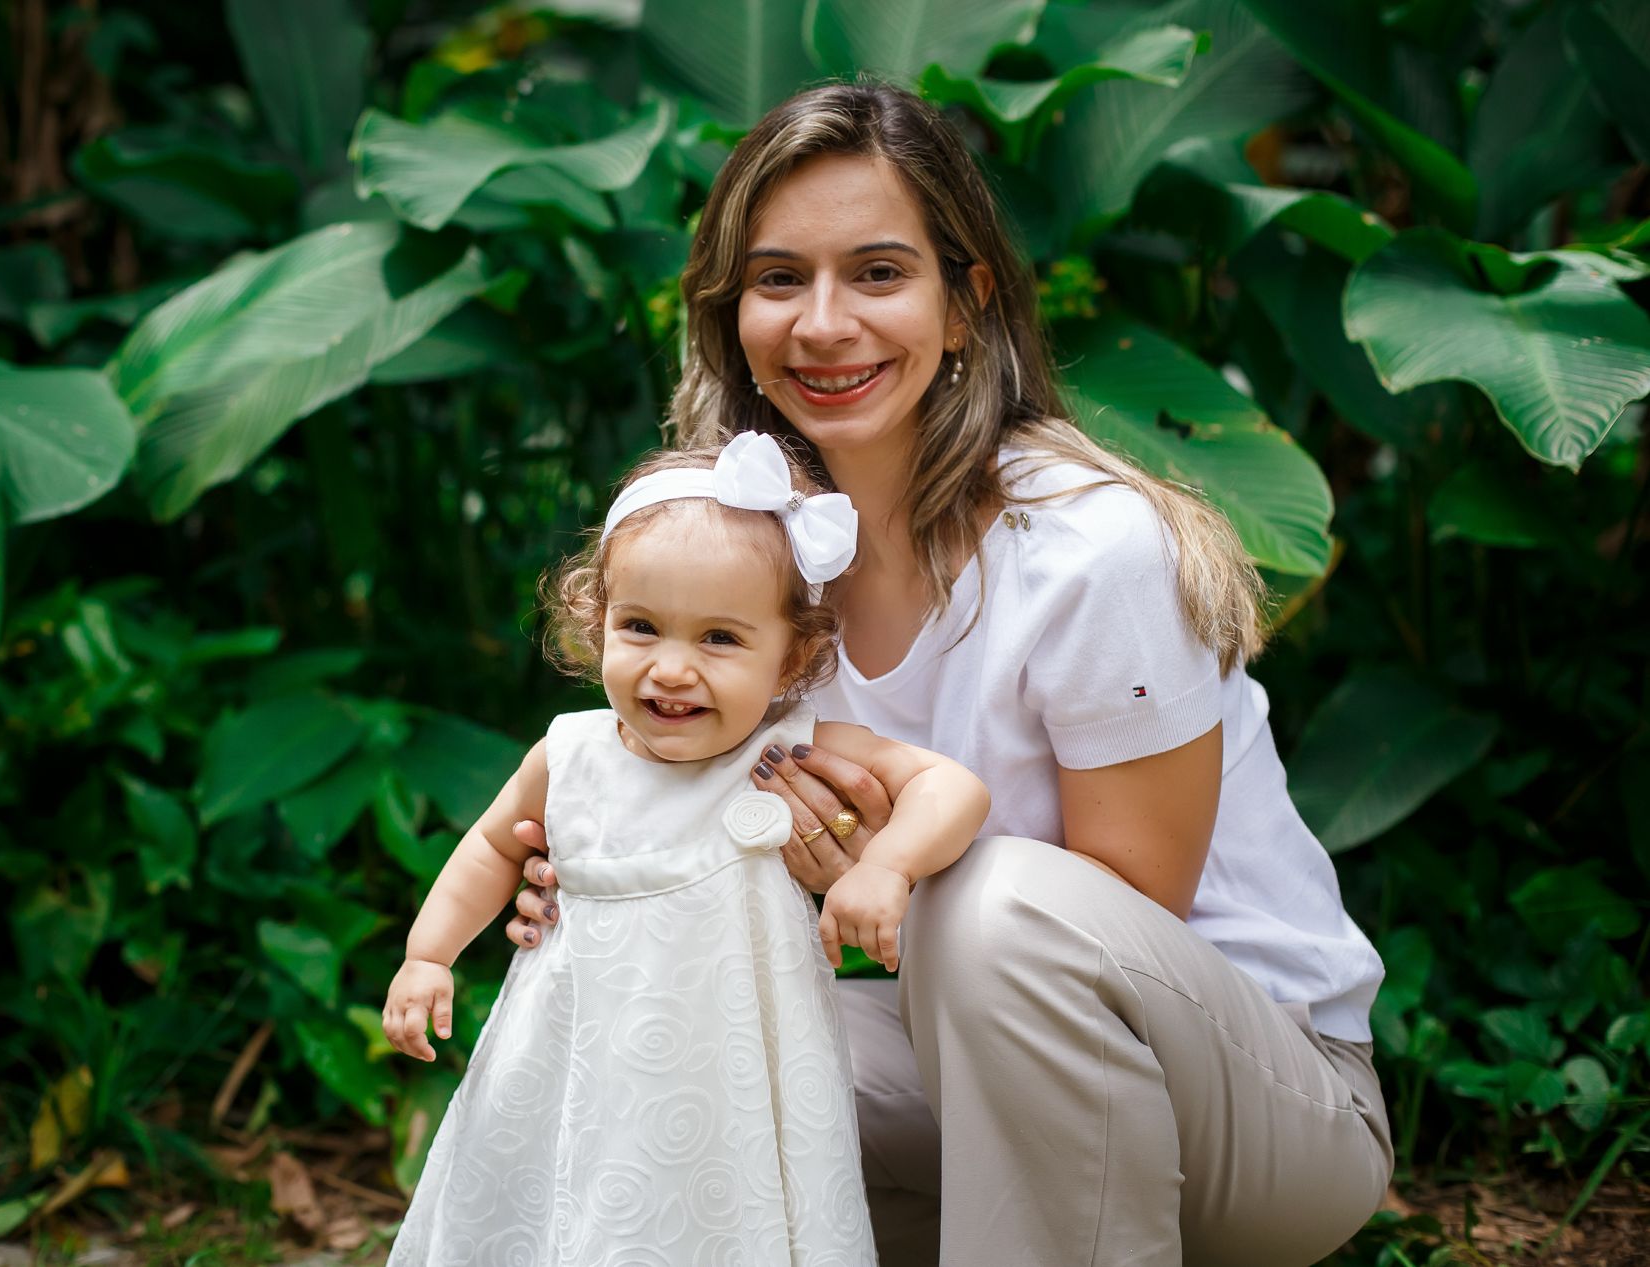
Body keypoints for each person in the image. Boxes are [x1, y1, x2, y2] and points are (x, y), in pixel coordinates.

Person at [503, 82, 1393, 1267]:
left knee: (995, 905)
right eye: (779, 279)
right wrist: (600, 887)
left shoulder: (1087, 550)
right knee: (654, 1023)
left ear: (967, 303)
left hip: (1257, 1108)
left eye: (878, 273)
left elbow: (1116, 923)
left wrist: (888, 866)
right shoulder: (744, 571)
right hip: (962, 1080)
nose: (824, 323)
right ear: (731, 315)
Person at [382, 431, 992, 1265]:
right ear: (597, 620)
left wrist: (887, 865)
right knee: (562, 1207)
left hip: (733, 1072)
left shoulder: (785, 751)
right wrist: (428, 955)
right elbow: (492, 846)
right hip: (576, 1053)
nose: (671, 669)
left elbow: (951, 787)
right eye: (641, 626)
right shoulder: (570, 754)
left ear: (793, 656)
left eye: (719, 639)